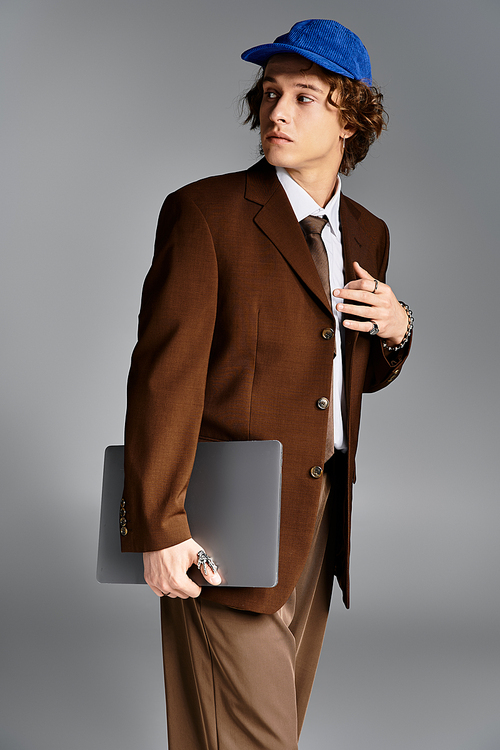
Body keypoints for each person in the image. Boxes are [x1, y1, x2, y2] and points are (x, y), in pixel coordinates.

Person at [121, 18, 413, 750]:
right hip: (224, 514)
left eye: (304, 97)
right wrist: (157, 525)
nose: (276, 112)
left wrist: (397, 330)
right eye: (271, 93)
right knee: (257, 737)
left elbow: (333, 374)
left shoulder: (369, 233)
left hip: (320, 510)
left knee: (223, 734)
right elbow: (164, 377)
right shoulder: (207, 213)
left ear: (350, 116)